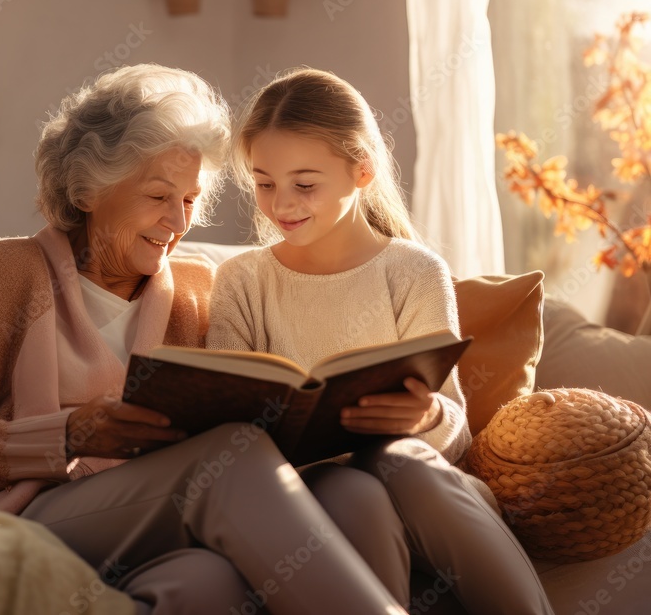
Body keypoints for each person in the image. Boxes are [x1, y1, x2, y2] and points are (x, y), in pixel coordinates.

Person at [0, 64, 414, 614]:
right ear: (89, 189)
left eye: (189, 201)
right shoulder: (3, 272)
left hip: (153, 526)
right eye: (158, 196)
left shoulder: (194, 293)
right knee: (227, 460)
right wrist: (66, 434)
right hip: (29, 514)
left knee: (210, 581)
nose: (176, 222)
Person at [206, 66, 554, 614]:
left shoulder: (413, 270)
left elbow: (455, 430)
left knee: (399, 462)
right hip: (308, 488)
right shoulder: (243, 281)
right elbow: (226, 415)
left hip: (421, 479)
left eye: (305, 184)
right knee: (352, 489)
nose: (280, 205)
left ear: (362, 170)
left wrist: (422, 418)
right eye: (264, 183)